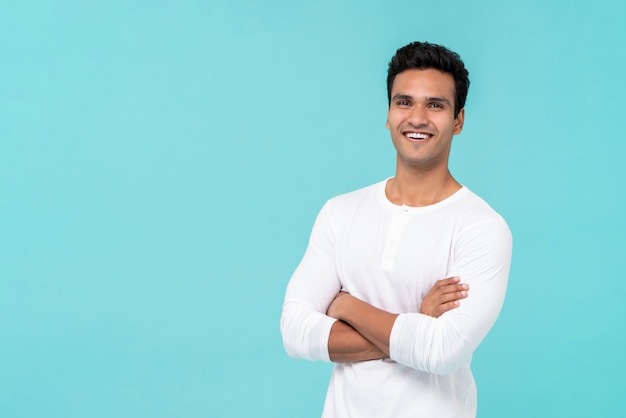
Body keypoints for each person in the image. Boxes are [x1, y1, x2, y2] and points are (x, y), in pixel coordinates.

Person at [280, 41, 512, 418]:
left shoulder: (481, 227)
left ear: (458, 121)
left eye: (435, 105)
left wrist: (347, 305)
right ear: (388, 114)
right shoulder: (340, 212)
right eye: (404, 102)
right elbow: (295, 333)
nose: (417, 117)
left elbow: (443, 352)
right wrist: (416, 323)